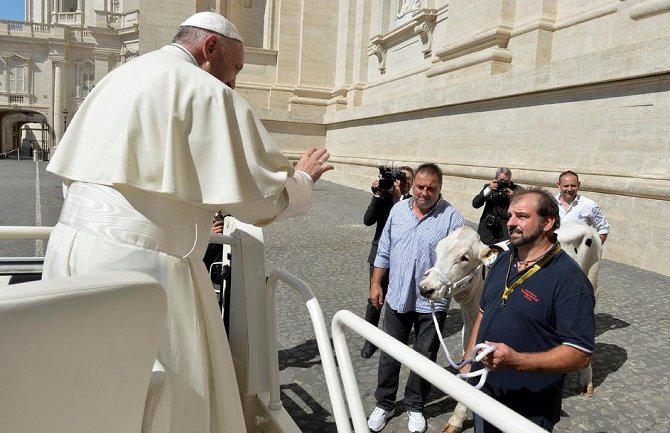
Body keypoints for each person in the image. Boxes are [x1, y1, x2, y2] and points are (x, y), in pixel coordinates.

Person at [42, 12, 333, 433]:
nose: (234, 82)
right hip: (142, 270)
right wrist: (302, 179)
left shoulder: (118, 77)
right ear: (210, 48)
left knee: (83, 387)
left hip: (67, 253)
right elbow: (260, 199)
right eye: (235, 69)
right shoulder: (206, 91)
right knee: (170, 398)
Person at [464, 188, 595, 432]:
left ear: (548, 222)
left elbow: (580, 353)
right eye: (511, 216)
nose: (511, 223)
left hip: (528, 411)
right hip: (483, 393)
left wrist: (517, 361)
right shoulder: (503, 259)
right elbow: (483, 312)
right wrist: (467, 361)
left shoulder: (570, 281)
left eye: (522, 216)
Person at [367, 163, 465, 433]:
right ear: (412, 186)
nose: (424, 192)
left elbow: (458, 262)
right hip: (398, 295)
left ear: (439, 188)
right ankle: (384, 403)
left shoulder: (452, 218)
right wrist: (376, 283)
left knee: (424, 356)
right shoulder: (398, 209)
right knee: (389, 353)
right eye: (420, 186)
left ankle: (415, 405)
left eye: (431, 188)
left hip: (432, 303)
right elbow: (383, 250)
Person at [360, 165, 414, 359]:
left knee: (399, 298)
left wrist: (398, 199)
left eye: (406, 178)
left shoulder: (414, 203)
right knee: (374, 299)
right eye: (400, 178)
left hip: (403, 258)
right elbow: (367, 220)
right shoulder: (384, 196)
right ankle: (370, 340)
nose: (402, 181)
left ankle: (395, 338)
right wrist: (377, 195)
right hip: (379, 256)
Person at [556, 170, 609, 243]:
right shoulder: (549, 204)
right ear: (558, 185)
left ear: (578, 185)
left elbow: (603, 229)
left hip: (577, 253)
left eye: (573, 185)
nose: (569, 189)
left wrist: (594, 251)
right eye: (566, 186)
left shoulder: (589, 205)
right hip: (553, 252)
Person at [472, 167, 521, 245]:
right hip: (488, 230)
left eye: (506, 181)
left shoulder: (517, 190)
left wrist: (513, 197)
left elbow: (523, 208)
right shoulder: (488, 187)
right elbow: (475, 204)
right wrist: (489, 189)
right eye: (500, 181)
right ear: (495, 178)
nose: (503, 183)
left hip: (506, 232)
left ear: (510, 180)